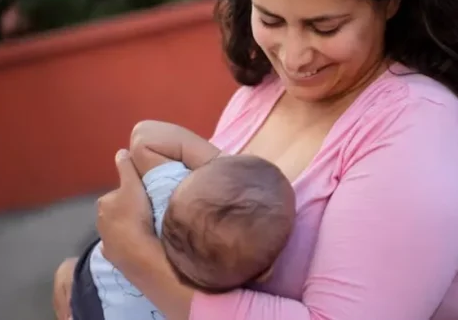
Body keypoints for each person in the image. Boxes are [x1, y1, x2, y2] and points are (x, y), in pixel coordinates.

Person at [53, 0, 458, 318]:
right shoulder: (262, 95)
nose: (294, 58)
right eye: (271, 19)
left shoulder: (420, 135)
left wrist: (138, 259)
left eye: (325, 27)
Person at [75, 121, 295, 320]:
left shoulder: (171, 189)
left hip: (93, 280)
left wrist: (222, 163)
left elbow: (146, 137)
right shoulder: (239, 280)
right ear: (266, 272)